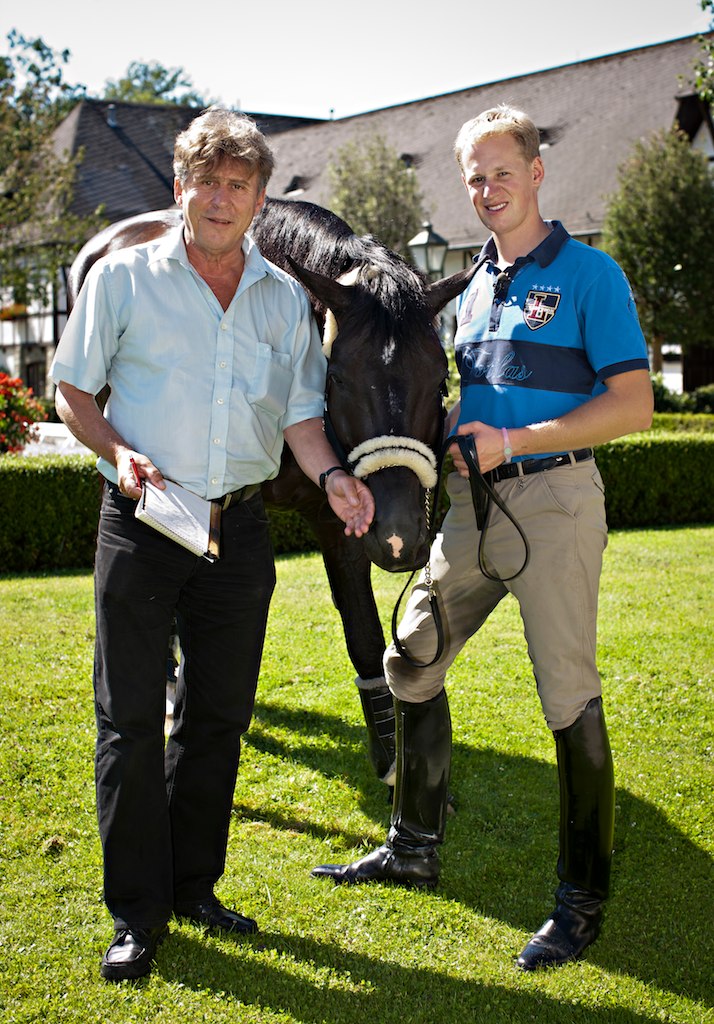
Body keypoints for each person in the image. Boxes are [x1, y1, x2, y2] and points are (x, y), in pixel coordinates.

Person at [311, 105, 654, 971]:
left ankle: (582, 902)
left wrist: (516, 441)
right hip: (473, 508)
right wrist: (461, 429)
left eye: (502, 172)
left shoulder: (589, 274)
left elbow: (635, 403)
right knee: (413, 654)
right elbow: (479, 389)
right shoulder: (472, 286)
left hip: (555, 500)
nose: (488, 189)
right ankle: (414, 846)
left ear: (537, 173)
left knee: (566, 695)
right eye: (474, 177)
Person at [50, 107, 374, 983]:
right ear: (180, 187)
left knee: (219, 719)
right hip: (145, 524)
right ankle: (136, 914)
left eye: (240, 185)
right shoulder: (124, 279)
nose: (222, 198)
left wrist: (336, 476)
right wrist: (120, 454)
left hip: (239, 530)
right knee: (127, 721)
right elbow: (70, 390)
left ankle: (195, 887)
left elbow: (302, 413)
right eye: (208, 181)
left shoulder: (282, 299)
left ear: (261, 198)